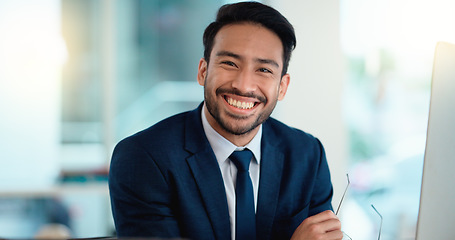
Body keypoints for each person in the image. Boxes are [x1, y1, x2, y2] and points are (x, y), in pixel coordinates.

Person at [109, 2, 342, 240]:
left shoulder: (308, 155)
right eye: (230, 63)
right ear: (203, 71)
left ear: (282, 87)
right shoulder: (143, 157)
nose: (243, 85)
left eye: (264, 70)